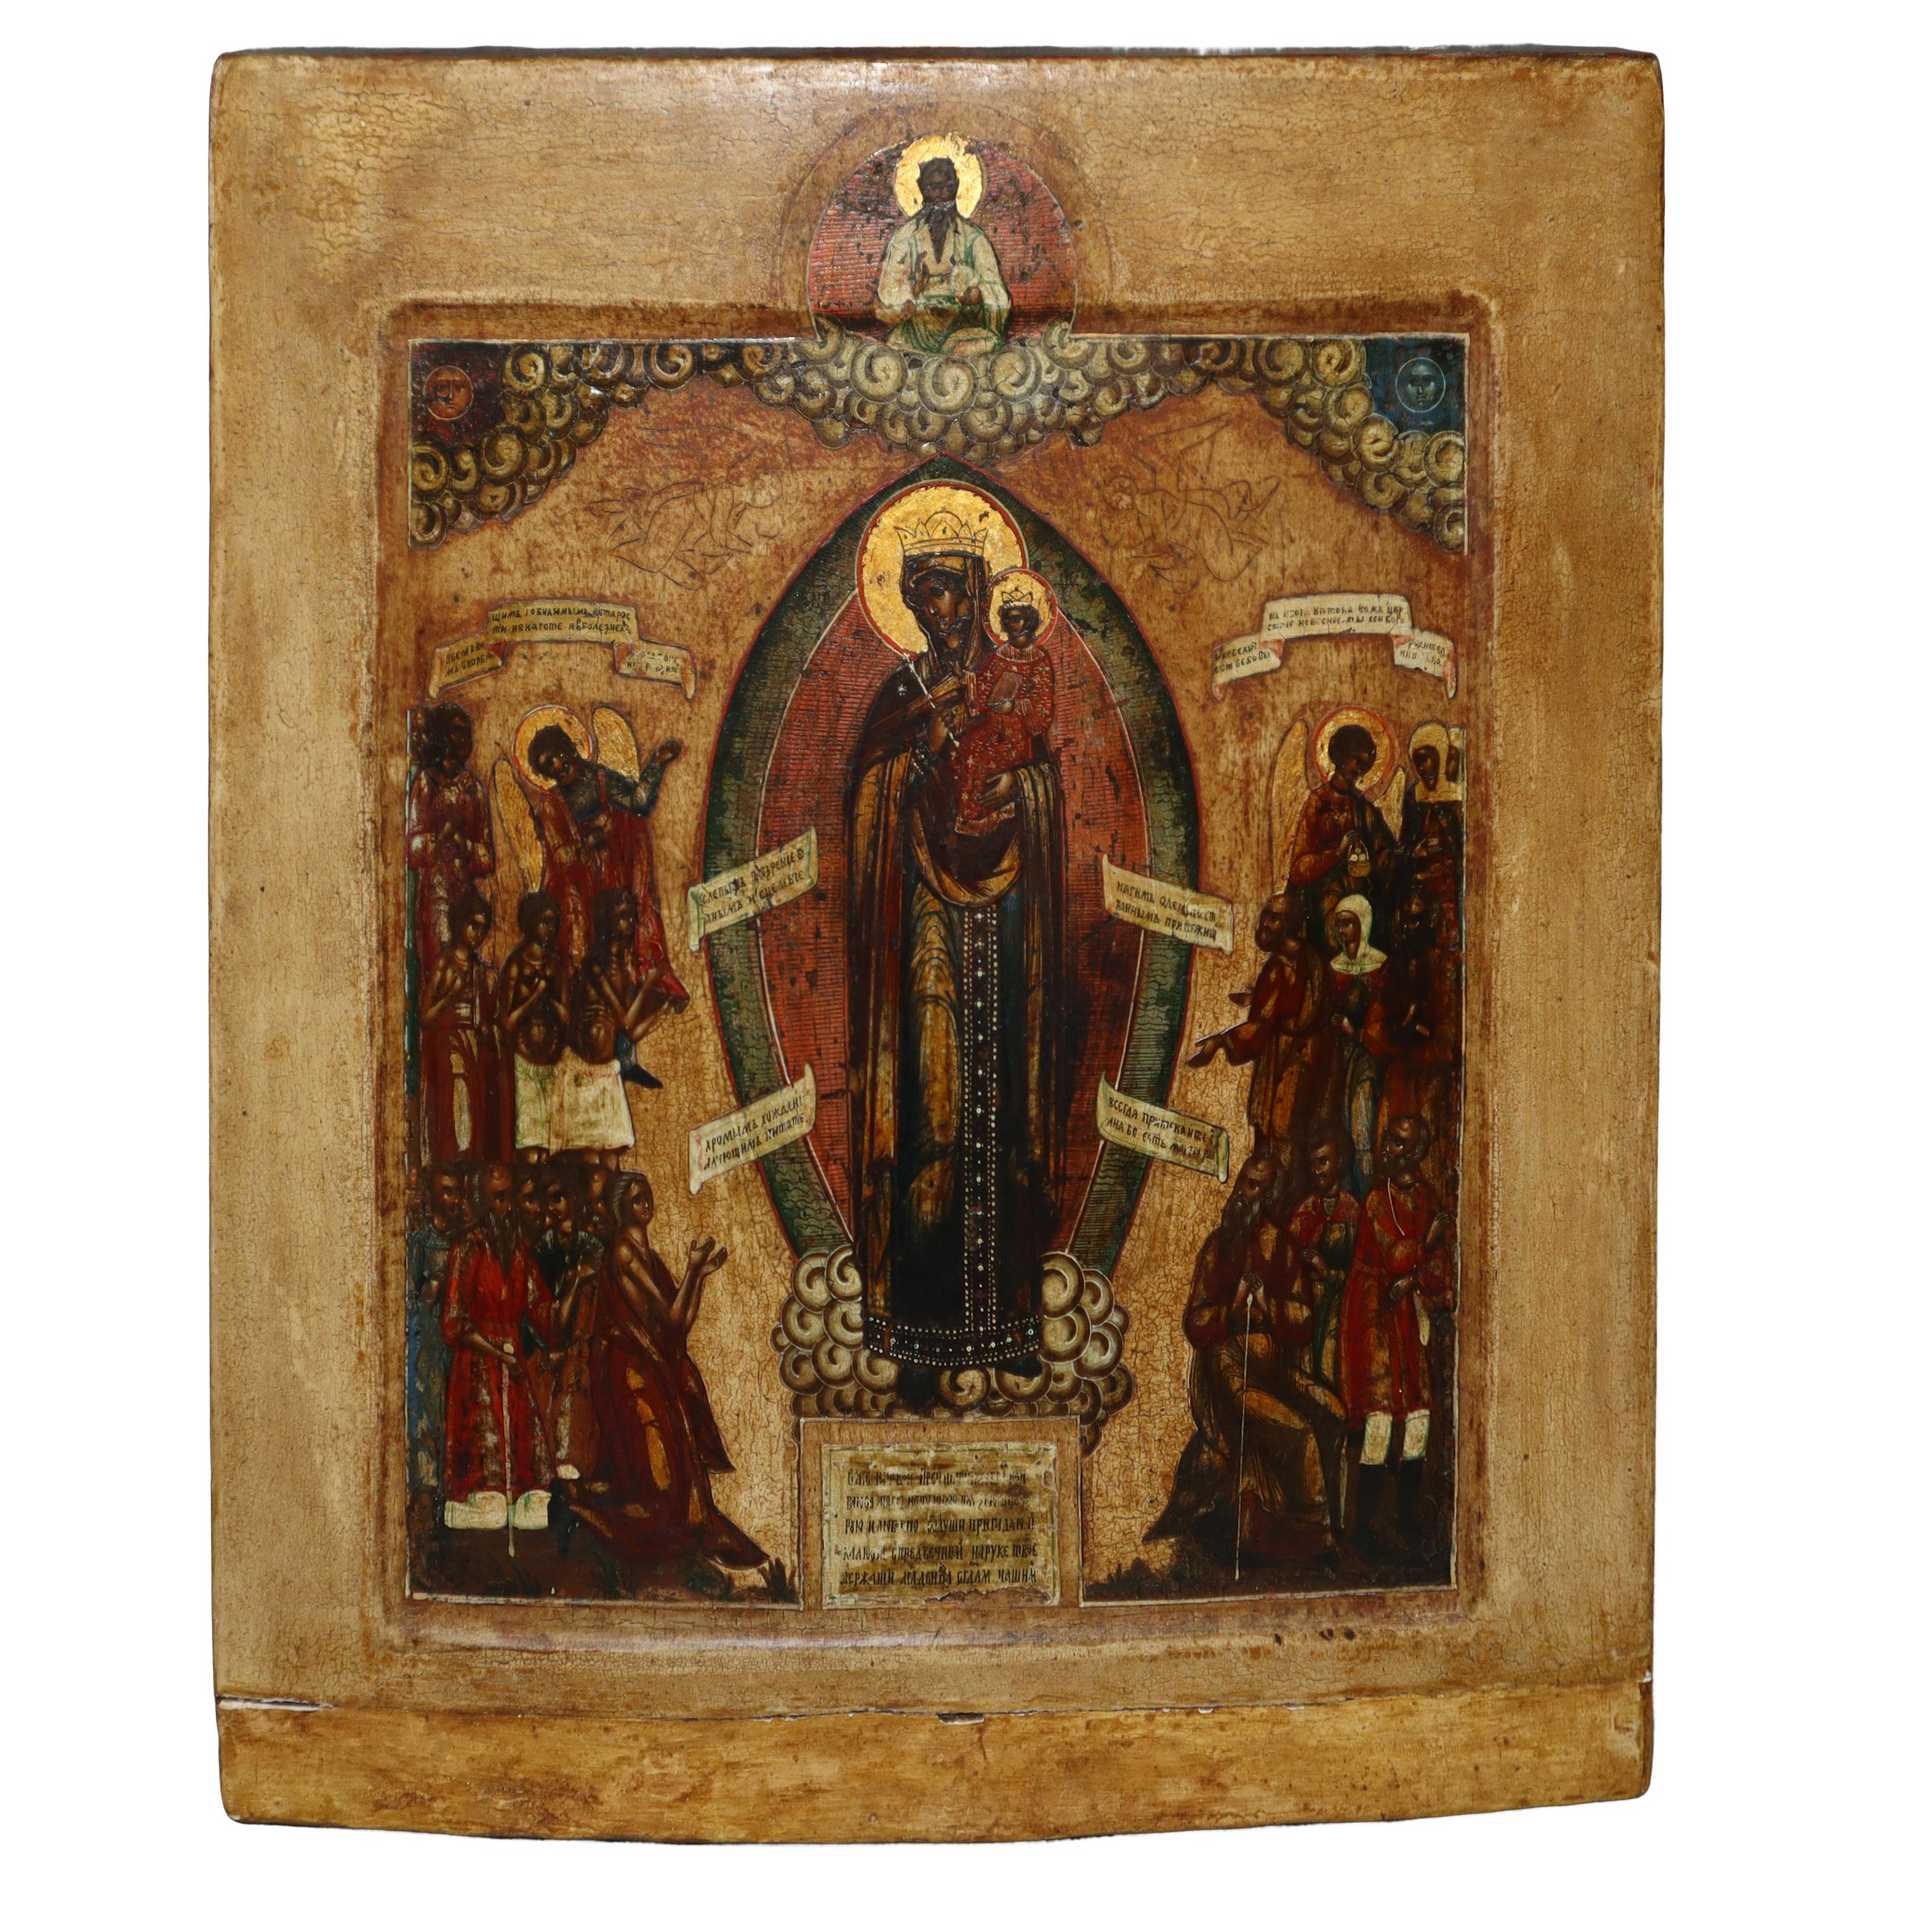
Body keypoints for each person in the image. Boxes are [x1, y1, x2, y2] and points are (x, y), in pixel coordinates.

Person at [846, 526, 1065, 1389]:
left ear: (978, 597)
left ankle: (1008, 1324)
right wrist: (918, 759)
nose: (937, 611)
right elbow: (869, 797)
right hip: (926, 923)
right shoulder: (904, 693)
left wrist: (1021, 790)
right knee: (931, 1101)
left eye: (947, 593)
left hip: (1003, 923)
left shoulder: (1011, 681)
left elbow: (1043, 782)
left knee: (1002, 1100)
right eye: (922, 597)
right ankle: (916, 1332)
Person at [563, 1173, 771, 1578]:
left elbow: (678, 1325)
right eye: (635, 1199)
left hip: (649, 1367)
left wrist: (698, 1277)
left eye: (647, 1196)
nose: (645, 1204)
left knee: (675, 1460)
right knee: (658, 1470)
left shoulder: (649, 1256)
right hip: (629, 1373)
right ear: (621, 1208)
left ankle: (677, 1535)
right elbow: (671, 1319)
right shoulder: (624, 1252)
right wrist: (692, 1271)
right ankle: (615, 1528)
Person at [1149, 1148, 1345, 1560]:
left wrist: (1269, 1303)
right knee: (1298, 1431)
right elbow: (1195, 1320)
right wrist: (1235, 1305)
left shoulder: (1282, 1246)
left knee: (1331, 1411)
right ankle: (1316, 1532)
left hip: (1275, 1369)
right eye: (1242, 1182)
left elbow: (1303, 1318)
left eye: (1254, 1186)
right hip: (1228, 1367)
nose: (1242, 1192)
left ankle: (1313, 1529)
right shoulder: (1218, 1246)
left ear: (1270, 1195)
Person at [1340, 1114, 1453, 1561]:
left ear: (1419, 1151)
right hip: (1374, 1316)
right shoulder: (1376, 1200)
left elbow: (1436, 1271)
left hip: (1409, 1317)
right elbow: (1394, 1258)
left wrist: (1415, 1278)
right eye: (1389, 1139)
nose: (1391, 1148)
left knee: (1418, 1416)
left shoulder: (1426, 1197)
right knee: (1380, 1416)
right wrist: (1426, 1244)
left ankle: (1406, 1521)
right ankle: (1366, 1530)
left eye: (1403, 1143)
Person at [524, 723, 689, 1024]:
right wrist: (583, 843)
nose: (557, 768)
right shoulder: (551, 805)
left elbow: (638, 802)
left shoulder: (600, 778)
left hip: (616, 872)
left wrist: (657, 764)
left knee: (629, 925)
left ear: (570, 749)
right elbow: (559, 855)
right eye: (548, 768)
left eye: (558, 757)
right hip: (582, 886)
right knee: (582, 939)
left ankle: (641, 988)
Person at [1188, 892, 1342, 1191]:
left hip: (1287, 1063)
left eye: (1274, 919)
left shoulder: (1280, 967)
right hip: (1310, 1059)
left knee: (1278, 1136)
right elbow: (1295, 1005)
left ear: (1291, 924)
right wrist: (1256, 998)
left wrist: (1220, 1041)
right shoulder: (1312, 958)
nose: (1265, 924)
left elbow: (1262, 1026)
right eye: (1265, 916)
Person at [441, 1161, 554, 1532]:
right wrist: (499, 1354)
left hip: (513, 1367)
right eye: (497, 1200)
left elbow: (540, 1308)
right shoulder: (467, 1249)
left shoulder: (518, 1251)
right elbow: (454, 1322)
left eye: (507, 1199)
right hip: (477, 1369)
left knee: (534, 1504)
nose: (503, 1209)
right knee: (488, 1497)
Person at [948, 578, 1056, 836]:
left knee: (987, 756)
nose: (1011, 625)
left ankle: (990, 815)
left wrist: (1015, 706)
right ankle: (969, 816)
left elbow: (1042, 712)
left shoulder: (1040, 661)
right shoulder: (1000, 655)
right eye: (1007, 620)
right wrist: (970, 684)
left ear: (1030, 621)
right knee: (966, 747)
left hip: (1018, 733)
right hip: (991, 725)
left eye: (1017, 619)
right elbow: (984, 690)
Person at [874, 155, 1010, 357]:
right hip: (916, 331)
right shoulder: (905, 238)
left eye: (946, 187)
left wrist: (976, 295)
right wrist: (907, 298)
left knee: (976, 348)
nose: (939, 194)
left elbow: (996, 291)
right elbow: (889, 286)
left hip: (962, 329)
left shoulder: (974, 239)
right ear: (921, 188)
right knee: (892, 352)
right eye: (932, 187)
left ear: (957, 187)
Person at [1286, 721, 1397, 956]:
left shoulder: (1365, 809)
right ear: (1340, 757)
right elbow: (1298, 869)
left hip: (1362, 899)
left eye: (1365, 763)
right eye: (1356, 760)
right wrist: (1337, 853)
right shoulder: (1318, 803)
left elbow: (1385, 852)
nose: (1360, 769)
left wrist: (1384, 860)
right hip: (1323, 902)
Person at [406, 702, 495, 973]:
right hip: (436, 892)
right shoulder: (426, 782)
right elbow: (413, 849)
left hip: (465, 895)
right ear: (442, 735)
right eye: (456, 731)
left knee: (464, 967)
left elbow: (487, 859)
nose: (463, 739)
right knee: (440, 964)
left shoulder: (473, 789)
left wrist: (465, 846)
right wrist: (441, 837)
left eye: (467, 733)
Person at [417, 888, 500, 1166]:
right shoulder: (445, 963)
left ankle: (470, 1161)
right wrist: (450, 997)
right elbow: (426, 1015)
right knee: (456, 1099)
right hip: (449, 1043)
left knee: (476, 1104)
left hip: (474, 1044)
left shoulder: (480, 969)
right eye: (473, 925)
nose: (478, 934)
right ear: (459, 922)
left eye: (483, 928)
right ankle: (454, 1160)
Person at [405, 1164, 467, 1496]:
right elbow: (414, 1300)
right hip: (430, 1340)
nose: (453, 1199)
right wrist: (432, 1289)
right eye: (447, 1192)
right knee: (430, 1412)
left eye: (457, 1192)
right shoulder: (420, 1241)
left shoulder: (464, 1240)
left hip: (459, 1340)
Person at [495, 890, 567, 1158]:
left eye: (553, 922)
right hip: (523, 1062)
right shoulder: (515, 965)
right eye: (544, 922)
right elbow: (507, 1021)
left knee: (549, 1145)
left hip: (551, 1061)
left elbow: (567, 1016)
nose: (550, 928)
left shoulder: (556, 966)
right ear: (530, 921)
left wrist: (549, 999)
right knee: (528, 1141)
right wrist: (535, 996)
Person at [1326, 893, 1389, 1192]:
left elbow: (1383, 1020)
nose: (1343, 930)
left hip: (1368, 1055)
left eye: (1348, 923)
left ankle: (1364, 1184)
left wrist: (1356, 1031)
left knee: (1361, 1110)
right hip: (1338, 1055)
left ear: (1363, 924)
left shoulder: (1379, 965)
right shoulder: (1334, 966)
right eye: (1339, 924)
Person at [1397, 721, 1464, 948]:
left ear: (1441, 755)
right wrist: (1414, 852)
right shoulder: (1413, 796)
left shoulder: (1457, 794)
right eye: (1418, 762)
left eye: (1427, 759)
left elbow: (1462, 845)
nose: (1423, 768)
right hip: (1422, 884)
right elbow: (1405, 843)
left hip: (1450, 886)